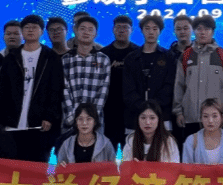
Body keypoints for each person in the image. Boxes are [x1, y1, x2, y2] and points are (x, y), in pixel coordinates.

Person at [0, 14, 63, 162]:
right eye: (26, 27)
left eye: (34, 27)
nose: (30, 30)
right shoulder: (11, 57)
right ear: (22, 31)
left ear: (42, 31)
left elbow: (55, 90)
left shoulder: (51, 57)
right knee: (12, 163)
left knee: (36, 164)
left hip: (39, 124)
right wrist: (2, 117)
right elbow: (3, 89)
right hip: (12, 122)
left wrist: (49, 116)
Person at [172, 15, 223, 147]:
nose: (202, 32)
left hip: (217, 119)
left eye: (207, 29)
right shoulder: (185, 56)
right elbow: (179, 86)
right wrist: (178, 112)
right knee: (192, 155)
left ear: (213, 32)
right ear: (194, 31)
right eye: (199, 29)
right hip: (191, 118)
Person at [122, 15, 176, 135]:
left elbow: (169, 86)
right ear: (142, 30)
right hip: (135, 116)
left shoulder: (169, 57)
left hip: (162, 115)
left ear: (160, 31)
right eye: (147, 28)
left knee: (163, 146)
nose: (151, 32)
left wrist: (153, 106)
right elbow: (128, 88)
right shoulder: (131, 58)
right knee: (134, 146)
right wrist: (142, 107)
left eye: (155, 28)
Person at [62, 15, 111, 138]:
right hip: (69, 119)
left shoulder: (103, 59)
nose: (86, 32)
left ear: (96, 34)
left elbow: (103, 90)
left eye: (90, 29)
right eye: (83, 29)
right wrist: (72, 116)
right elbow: (64, 88)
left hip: (95, 121)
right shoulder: (66, 59)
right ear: (76, 31)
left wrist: (92, 117)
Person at [99, 15, 140, 149]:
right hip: (109, 109)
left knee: (131, 148)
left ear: (131, 30)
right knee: (108, 148)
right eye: (118, 27)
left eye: (125, 28)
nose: (121, 30)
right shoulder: (103, 54)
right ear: (113, 30)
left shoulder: (138, 53)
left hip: (132, 110)